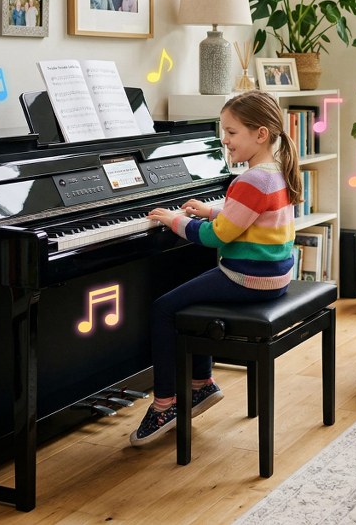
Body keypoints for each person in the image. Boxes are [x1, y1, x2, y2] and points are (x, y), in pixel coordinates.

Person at [129, 91, 302, 446]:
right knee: (193, 293)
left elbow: (216, 237)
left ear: (261, 134)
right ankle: (201, 384)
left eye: (231, 132)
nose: (224, 140)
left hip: (247, 278)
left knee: (164, 308)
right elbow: (247, 220)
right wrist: (210, 210)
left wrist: (176, 220)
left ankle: (165, 404)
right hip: (275, 275)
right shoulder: (273, 172)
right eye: (222, 131)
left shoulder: (251, 180)